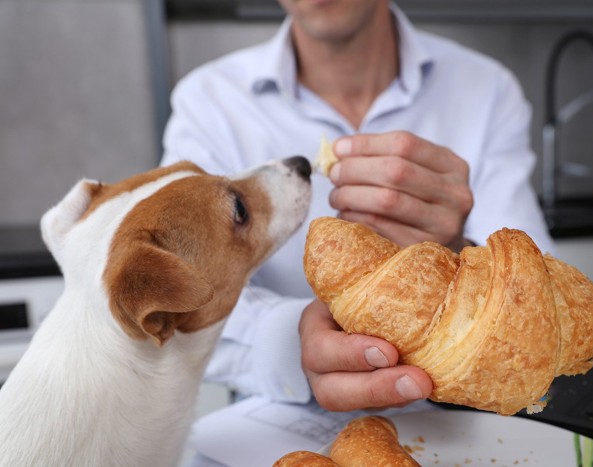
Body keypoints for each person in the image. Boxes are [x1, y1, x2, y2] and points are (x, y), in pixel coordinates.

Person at [161, 0, 555, 413]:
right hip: (275, 428)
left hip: (463, 427)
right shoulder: (208, 103)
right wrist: (294, 341)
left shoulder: (487, 90)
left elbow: (541, 302)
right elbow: (177, 300)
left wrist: (460, 253)